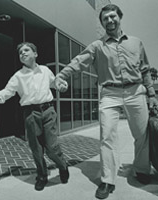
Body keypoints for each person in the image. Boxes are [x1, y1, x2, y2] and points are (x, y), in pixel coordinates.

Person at [55, 4, 158, 199]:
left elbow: (145, 69)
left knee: (142, 134)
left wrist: (151, 95)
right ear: (102, 23)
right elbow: (78, 61)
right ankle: (107, 180)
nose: (109, 21)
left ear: (119, 17)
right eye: (105, 19)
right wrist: (61, 75)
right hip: (109, 93)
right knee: (107, 136)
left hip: (136, 91)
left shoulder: (136, 43)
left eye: (112, 17)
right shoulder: (97, 46)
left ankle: (142, 169)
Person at [0, 42, 69, 191]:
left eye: (27, 50)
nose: (23, 53)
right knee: (36, 148)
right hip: (30, 113)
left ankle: (62, 166)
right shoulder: (18, 76)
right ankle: (42, 176)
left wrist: (62, 85)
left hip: (48, 111)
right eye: (20, 52)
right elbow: (7, 92)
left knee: (51, 147)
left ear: (35, 54)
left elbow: (55, 83)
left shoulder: (45, 70)